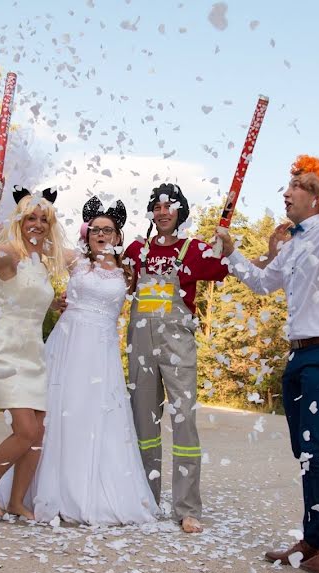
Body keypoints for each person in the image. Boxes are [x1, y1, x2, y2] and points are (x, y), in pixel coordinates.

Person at [215, 155, 319, 573]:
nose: (286, 194)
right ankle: (310, 539)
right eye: (288, 187)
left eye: (296, 187)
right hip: (299, 356)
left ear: (315, 193)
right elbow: (262, 282)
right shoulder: (292, 244)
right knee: (305, 452)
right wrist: (233, 253)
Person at [0, 197, 158, 526]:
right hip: (67, 347)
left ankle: (94, 493)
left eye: (108, 230)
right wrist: (19, 219)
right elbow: (36, 245)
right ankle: (30, 491)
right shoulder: (75, 261)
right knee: (57, 414)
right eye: (96, 229)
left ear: (118, 236)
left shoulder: (128, 272)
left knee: (96, 415)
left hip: (102, 353)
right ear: (87, 233)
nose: (102, 234)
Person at [123, 183, 229, 534]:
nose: (163, 211)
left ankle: (187, 508)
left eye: (170, 206)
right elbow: (116, 285)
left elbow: (223, 268)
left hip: (177, 346)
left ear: (180, 211)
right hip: (140, 345)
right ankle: (146, 499)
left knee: (184, 422)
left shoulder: (193, 248)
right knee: (144, 425)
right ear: (152, 212)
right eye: (157, 206)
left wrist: (224, 244)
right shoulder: (137, 250)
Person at [0, 180, 66, 520]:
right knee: (25, 430)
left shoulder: (41, 263)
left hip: (33, 354)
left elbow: (31, 297)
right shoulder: (9, 254)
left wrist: (55, 303)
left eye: (43, 220)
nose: (37, 225)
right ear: (20, 222)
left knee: (37, 434)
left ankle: (17, 501)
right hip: (6, 351)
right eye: (31, 219)